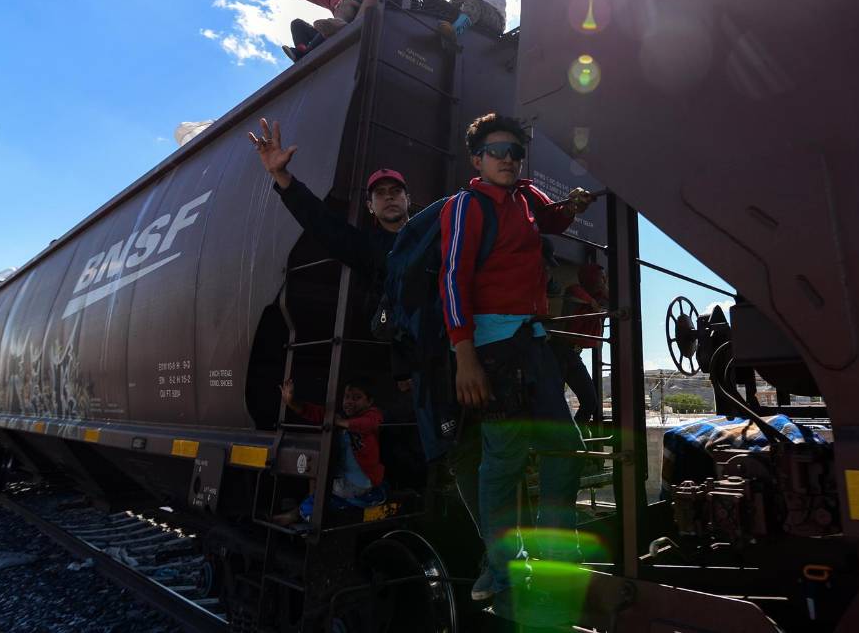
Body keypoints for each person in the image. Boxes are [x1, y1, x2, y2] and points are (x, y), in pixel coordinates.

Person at [439, 113, 594, 602]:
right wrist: (464, 355)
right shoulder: (466, 206)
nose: (508, 159)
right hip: (495, 348)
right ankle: (505, 570)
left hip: (534, 340)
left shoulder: (527, 196)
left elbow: (549, 220)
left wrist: (570, 207)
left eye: (515, 152)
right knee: (503, 460)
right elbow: (451, 279)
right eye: (497, 151)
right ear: (477, 159)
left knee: (564, 447)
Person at [247, 117, 412, 390]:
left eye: (396, 191)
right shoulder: (366, 248)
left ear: (408, 198)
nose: (390, 197)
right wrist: (281, 175)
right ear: (370, 206)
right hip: (417, 366)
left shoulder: (435, 234)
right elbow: (321, 222)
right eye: (380, 194)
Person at [273, 377, 386, 525]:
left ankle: (301, 514)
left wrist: (339, 422)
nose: (350, 401)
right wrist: (291, 402)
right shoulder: (340, 416)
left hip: (359, 483)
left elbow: (369, 424)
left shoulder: (372, 415)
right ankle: (298, 512)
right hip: (343, 478)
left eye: (357, 398)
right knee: (314, 472)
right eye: (347, 397)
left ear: (369, 402)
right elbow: (315, 412)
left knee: (320, 484)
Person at [548, 263, 608, 426]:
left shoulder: (600, 297)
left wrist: (597, 302)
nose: (604, 281)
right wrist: (593, 304)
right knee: (556, 403)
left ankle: (575, 438)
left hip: (573, 354)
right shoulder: (576, 292)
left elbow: (612, 301)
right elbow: (574, 292)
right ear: (591, 279)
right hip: (558, 350)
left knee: (590, 401)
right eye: (601, 277)